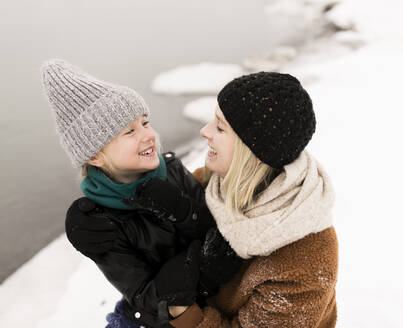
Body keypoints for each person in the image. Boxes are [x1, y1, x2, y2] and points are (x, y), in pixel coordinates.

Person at [40, 59, 242, 328]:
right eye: (129, 131)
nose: (148, 135)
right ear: (95, 157)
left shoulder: (170, 169)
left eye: (145, 123)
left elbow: (216, 229)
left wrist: (184, 212)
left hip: (222, 292)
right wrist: (184, 274)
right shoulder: (101, 224)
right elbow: (143, 296)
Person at [170, 72, 338, 328]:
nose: (204, 131)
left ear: (254, 153)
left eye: (220, 127)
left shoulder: (306, 257)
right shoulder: (208, 183)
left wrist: (182, 312)